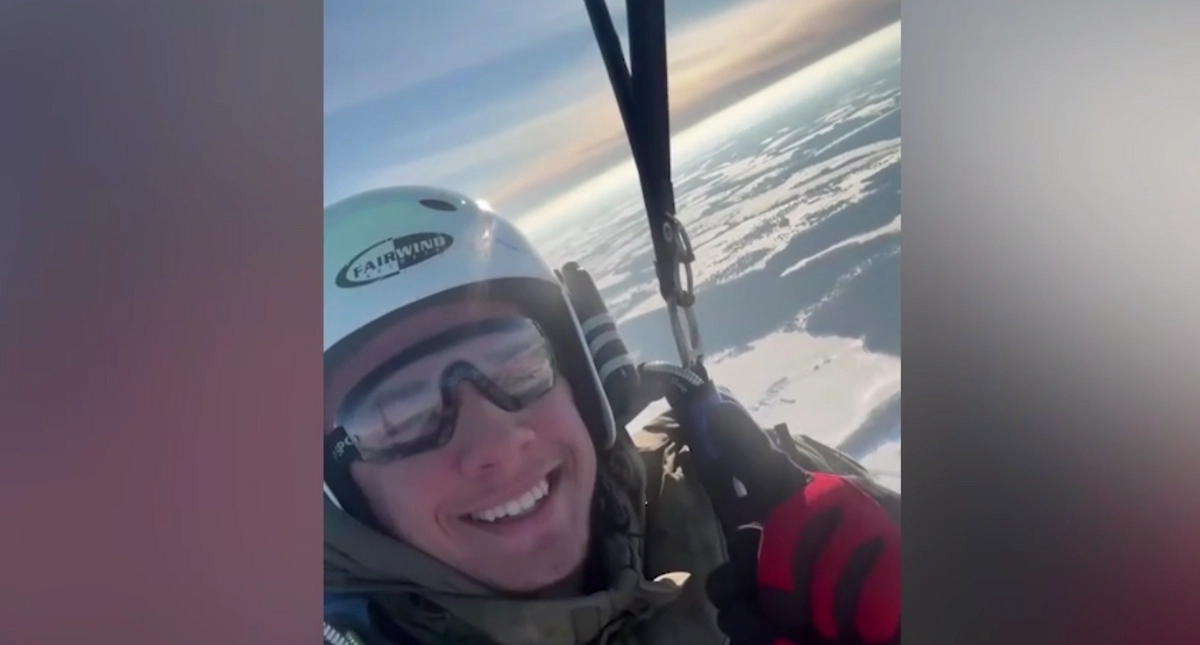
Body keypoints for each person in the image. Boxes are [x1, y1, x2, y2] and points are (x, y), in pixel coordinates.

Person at [322, 185, 901, 645]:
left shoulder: (762, 498)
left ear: (582, 380)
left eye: (517, 364)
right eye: (401, 415)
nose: (499, 442)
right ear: (337, 492)